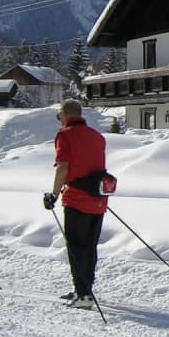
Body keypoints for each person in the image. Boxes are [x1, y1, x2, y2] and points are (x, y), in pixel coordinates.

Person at [42, 99, 108, 309]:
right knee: (90, 246)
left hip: (77, 199)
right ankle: (86, 288)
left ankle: (83, 295)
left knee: (76, 246)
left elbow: (63, 167)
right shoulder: (97, 136)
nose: (59, 120)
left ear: (66, 114)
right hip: (98, 200)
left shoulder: (65, 135)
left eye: (59, 115)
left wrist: (53, 194)